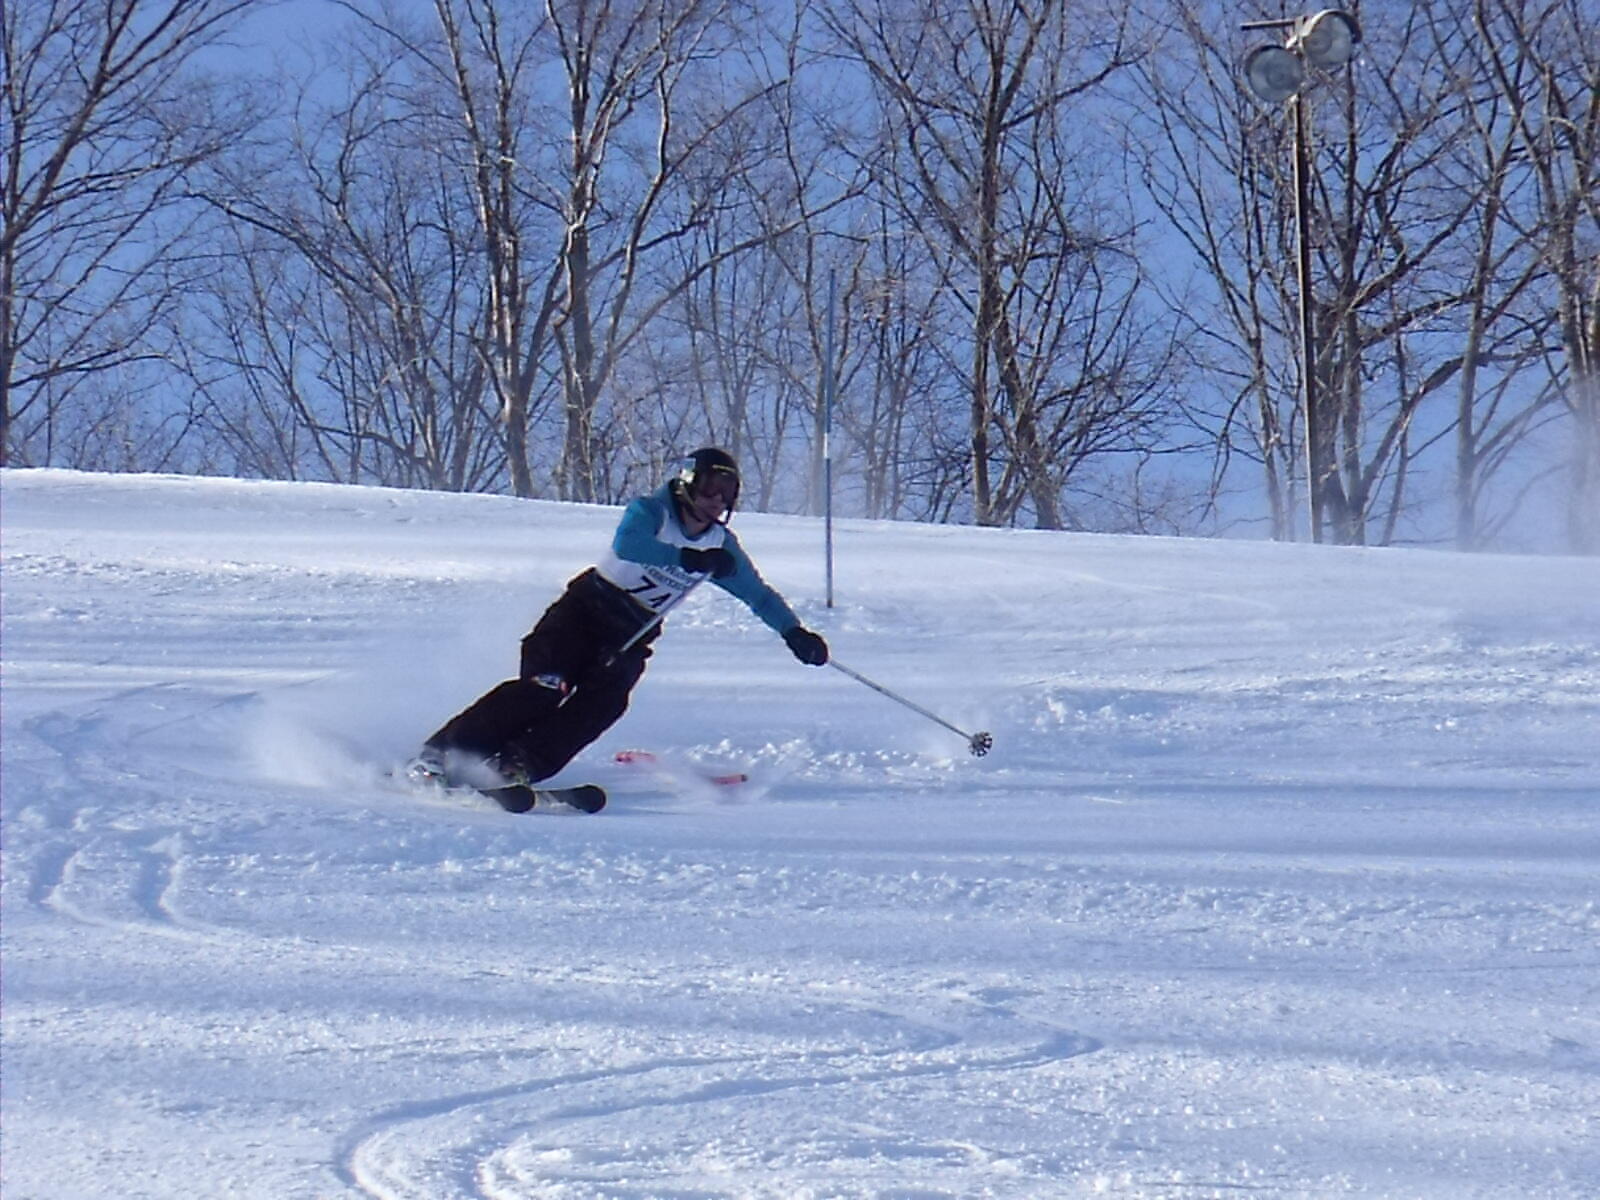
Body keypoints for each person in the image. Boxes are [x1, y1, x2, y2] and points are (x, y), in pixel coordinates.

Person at [408, 447, 828, 788]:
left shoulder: (720, 544)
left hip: (632, 633)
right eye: (709, 487)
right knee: (545, 687)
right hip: (584, 612)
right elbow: (630, 545)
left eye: (727, 492)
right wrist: (687, 558)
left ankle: (518, 766)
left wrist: (794, 632)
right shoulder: (652, 511)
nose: (716, 500)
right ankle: (442, 753)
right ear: (687, 483)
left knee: (604, 704)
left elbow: (758, 595)